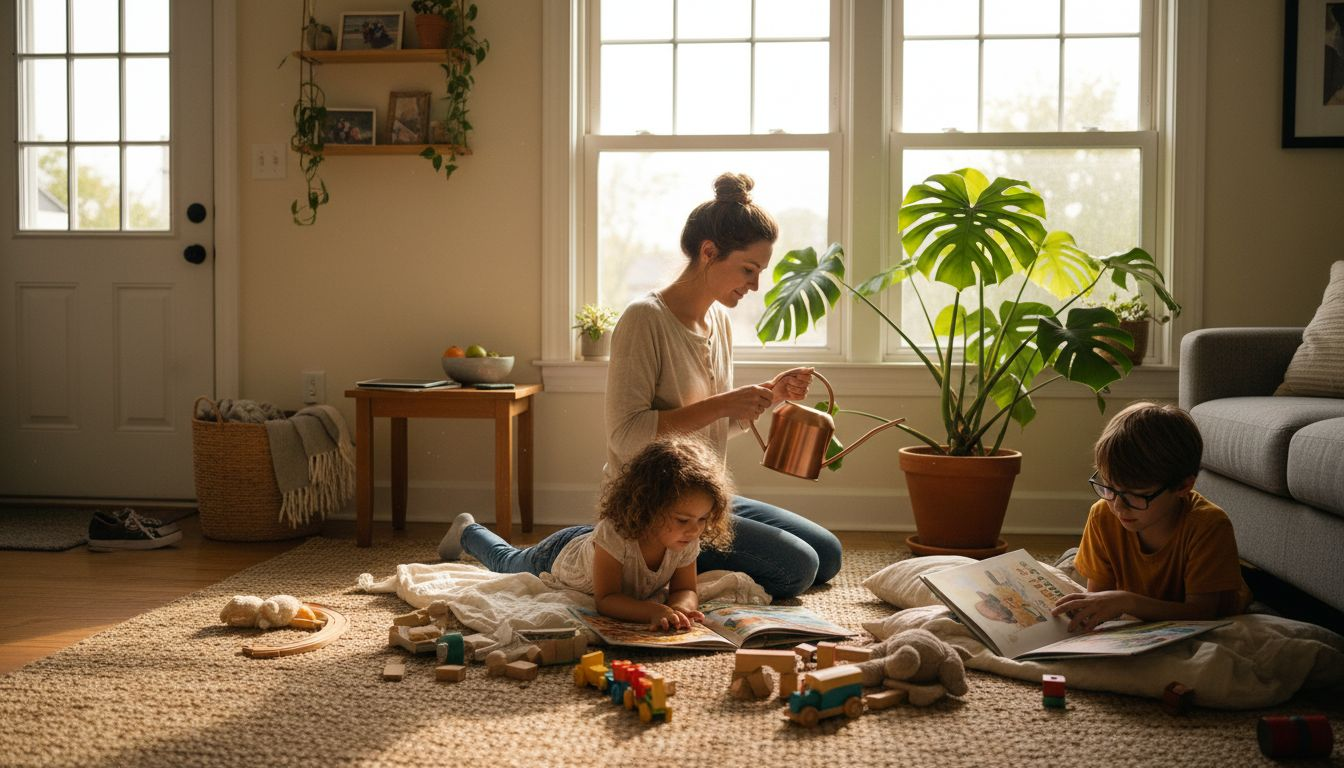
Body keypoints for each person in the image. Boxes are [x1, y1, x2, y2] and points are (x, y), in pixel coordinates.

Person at [603, 172, 841, 600]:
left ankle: (668, 556)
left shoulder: (719, 321)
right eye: (748, 270)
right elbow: (626, 437)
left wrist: (771, 395)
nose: (755, 285)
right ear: (709, 252)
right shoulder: (644, 320)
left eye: (760, 271)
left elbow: (713, 428)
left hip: (702, 501)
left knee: (829, 553)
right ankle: (611, 549)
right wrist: (724, 403)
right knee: (799, 569)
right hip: (658, 511)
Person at [437, 436, 735, 631]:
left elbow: (686, 589)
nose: (695, 529)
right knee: (506, 562)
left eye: (703, 519)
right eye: (683, 519)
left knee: (507, 561)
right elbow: (607, 599)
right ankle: (468, 530)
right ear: (650, 508)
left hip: (593, 545)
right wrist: (652, 611)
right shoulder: (617, 535)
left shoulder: (685, 538)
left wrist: (679, 609)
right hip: (558, 555)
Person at [1050, 402, 1252, 632]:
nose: (1118, 506)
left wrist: (1128, 602)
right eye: (1109, 487)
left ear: (1183, 486)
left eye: (1138, 496)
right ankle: (1073, 557)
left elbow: (1203, 612)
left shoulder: (1208, 525)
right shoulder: (1103, 514)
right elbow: (1097, 600)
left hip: (1208, 613)